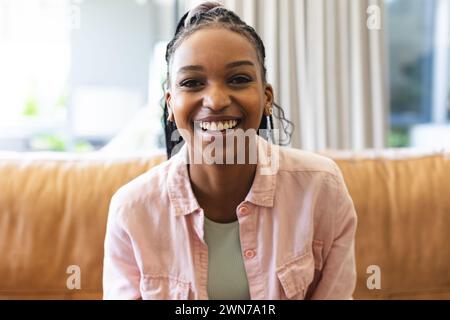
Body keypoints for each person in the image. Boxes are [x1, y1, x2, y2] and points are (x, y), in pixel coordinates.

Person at [103, 1, 357, 300]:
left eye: (238, 79)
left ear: (266, 98)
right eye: (193, 82)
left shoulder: (320, 189)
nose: (216, 100)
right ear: (171, 103)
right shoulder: (133, 209)